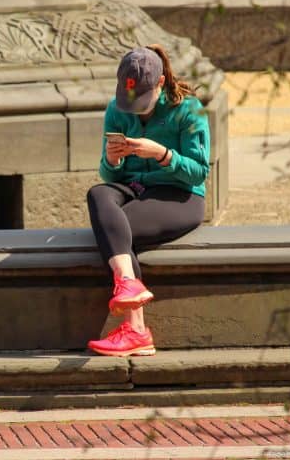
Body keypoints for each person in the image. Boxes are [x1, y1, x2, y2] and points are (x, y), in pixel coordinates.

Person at [85, 44, 210, 357]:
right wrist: (112, 162)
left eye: (140, 99)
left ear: (160, 83)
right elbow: (108, 176)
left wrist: (163, 154)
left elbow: (198, 172)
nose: (133, 107)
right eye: (129, 100)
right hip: (133, 187)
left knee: (117, 229)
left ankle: (136, 329)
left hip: (179, 194)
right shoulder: (117, 109)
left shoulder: (188, 110)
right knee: (98, 194)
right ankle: (129, 288)